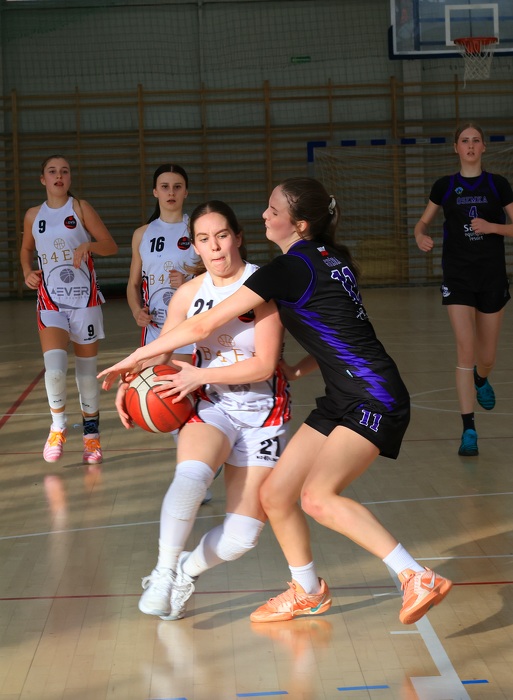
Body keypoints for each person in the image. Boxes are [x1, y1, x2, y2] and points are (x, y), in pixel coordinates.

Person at [99, 177, 453, 626]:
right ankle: (308, 591)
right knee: (275, 496)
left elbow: (201, 327)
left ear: (298, 224)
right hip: (343, 394)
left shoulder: (286, 269)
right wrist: (298, 370)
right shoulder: (331, 258)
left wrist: (133, 359)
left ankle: (415, 575)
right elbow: (342, 330)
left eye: (273, 210)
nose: (264, 215)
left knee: (317, 497)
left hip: (373, 396)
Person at [113, 200, 290, 620]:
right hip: (212, 404)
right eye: (204, 239)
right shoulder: (188, 294)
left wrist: (198, 374)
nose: (215, 247)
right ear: (194, 246)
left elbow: (264, 365)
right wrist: (133, 380)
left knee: (243, 537)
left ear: (237, 238)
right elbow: (164, 353)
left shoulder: (262, 285)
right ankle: (162, 572)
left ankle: (185, 572)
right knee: (191, 477)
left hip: (263, 411)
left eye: (222, 236)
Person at [414, 123, 513, 457]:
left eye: (476, 140)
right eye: (464, 141)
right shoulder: (444, 186)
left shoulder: (498, 185)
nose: (470, 145)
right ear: (455, 147)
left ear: (484, 147)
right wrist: (420, 235)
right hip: (457, 277)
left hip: (492, 277)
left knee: (487, 357)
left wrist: (492, 227)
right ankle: (469, 429)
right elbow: (422, 222)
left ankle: (482, 379)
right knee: (465, 350)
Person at [20, 155, 118, 465]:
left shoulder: (80, 208)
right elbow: (26, 248)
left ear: (70, 178)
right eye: (52, 171)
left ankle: (91, 436)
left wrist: (89, 245)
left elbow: (110, 245)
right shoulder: (33, 215)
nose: (59, 176)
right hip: (50, 300)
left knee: (87, 376)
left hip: (84, 299)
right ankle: (57, 427)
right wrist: (27, 271)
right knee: (55, 369)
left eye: (64, 171)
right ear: (43, 179)